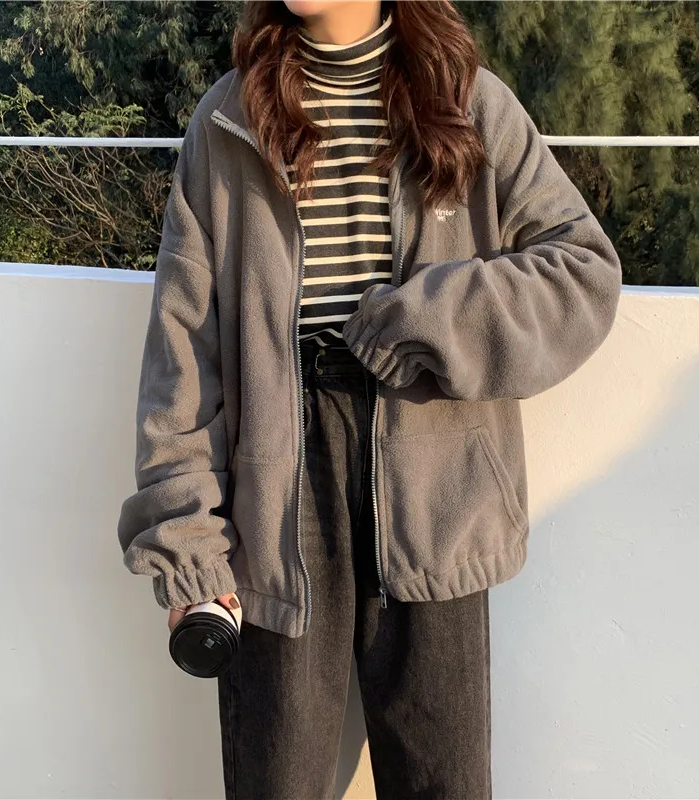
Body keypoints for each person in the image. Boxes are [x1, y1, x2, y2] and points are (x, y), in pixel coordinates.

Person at [117, 0, 622, 797]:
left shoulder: (466, 100)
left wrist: (427, 318)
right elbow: (184, 354)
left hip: (437, 487)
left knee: (442, 784)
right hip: (276, 489)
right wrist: (188, 546)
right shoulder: (229, 117)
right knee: (275, 781)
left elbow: (583, 271)